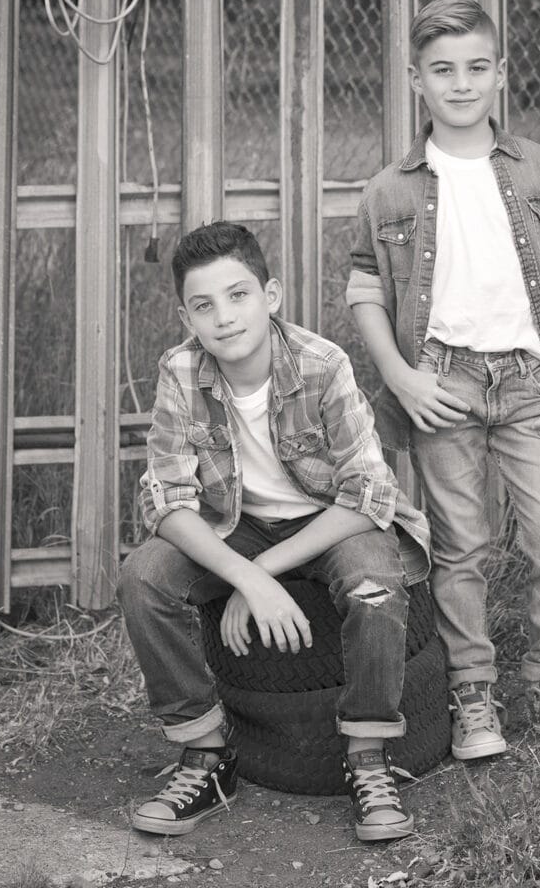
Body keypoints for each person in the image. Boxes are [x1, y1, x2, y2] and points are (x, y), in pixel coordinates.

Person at [346, 0, 540, 761]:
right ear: (415, 80)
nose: (459, 83)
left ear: (499, 74)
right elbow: (364, 288)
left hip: (533, 382)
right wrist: (401, 378)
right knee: (460, 547)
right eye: (442, 70)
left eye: (475, 67)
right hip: (444, 385)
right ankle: (473, 697)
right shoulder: (388, 189)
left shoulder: (537, 167)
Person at [117, 221, 430, 841]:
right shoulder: (180, 371)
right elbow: (170, 503)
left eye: (239, 295)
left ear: (272, 296)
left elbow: (368, 496)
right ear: (187, 315)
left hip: (329, 523)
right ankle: (207, 755)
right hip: (234, 525)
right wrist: (241, 572)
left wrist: (260, 575)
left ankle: (368, 756)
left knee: (373, 585)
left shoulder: (321, 364)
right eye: (204, 305)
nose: (224, 318)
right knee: (141, 579)